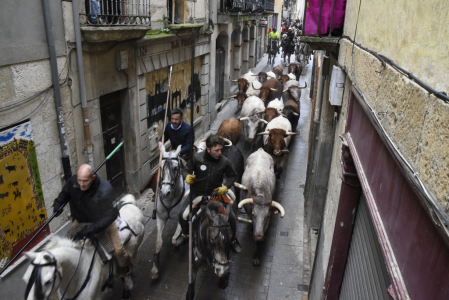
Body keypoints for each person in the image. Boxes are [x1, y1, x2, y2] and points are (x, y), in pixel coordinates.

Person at [53, 164, 134, 290]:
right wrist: (57, 204)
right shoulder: (73, 181)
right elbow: (64, 194)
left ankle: (126, 271)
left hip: (103, 221)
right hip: (82, 219)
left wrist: (91, 229)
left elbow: (110, 216)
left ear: (93, 177)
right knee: (65, 241)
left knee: (117, 250)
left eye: (85, 181)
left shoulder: (105, 189)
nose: (81, 184)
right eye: (79, 180)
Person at [175, 135, 242, 253]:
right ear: (208, 149)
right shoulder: (196, 158)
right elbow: (185, 170)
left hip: (216, 195)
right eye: (217, 150)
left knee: (231, 217)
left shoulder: (224, 162)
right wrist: (187, 177)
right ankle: (185, 233)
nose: (220, 152)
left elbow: (233, 176)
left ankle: (233, 239)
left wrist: (225, 187)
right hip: (196, 194)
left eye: (221, 149)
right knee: (182, 215)